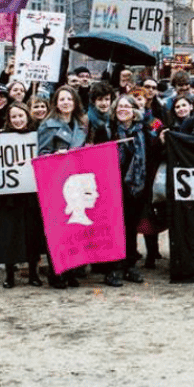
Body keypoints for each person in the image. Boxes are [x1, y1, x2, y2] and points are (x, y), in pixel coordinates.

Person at [36, 84, 92, 289]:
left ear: (75, 102)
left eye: (69, 99)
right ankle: (56, 271)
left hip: (77, 180)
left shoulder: (83, 123)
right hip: (56, 181)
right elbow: (41, 154)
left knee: (74, 228)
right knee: (58, 230)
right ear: (56, 103)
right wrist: (54, 156)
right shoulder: (47, 125)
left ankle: (72, 270)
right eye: (62, 99)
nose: (66, 102)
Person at [102, 94, 159, 287]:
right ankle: (112, 268)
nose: (123, 110)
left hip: (136, 186)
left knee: (131, 226)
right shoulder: (107, 130)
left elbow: (161, 132)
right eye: (119, 107)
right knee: (113, 228)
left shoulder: (145, 129)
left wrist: (165, 132)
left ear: (134, 110)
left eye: (127, 106)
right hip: (112, 185)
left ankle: (129, 266)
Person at [0, 102, 48, 288]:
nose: (17, 120)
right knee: (9, 234)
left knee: (32, 234)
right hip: (8, 194)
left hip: (31, 194)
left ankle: (33, 273)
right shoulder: (1, 137)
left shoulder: (37, 135)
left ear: (27, 116)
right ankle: (9, 275)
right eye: (13, 117)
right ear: (8, 119)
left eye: (21, 116)